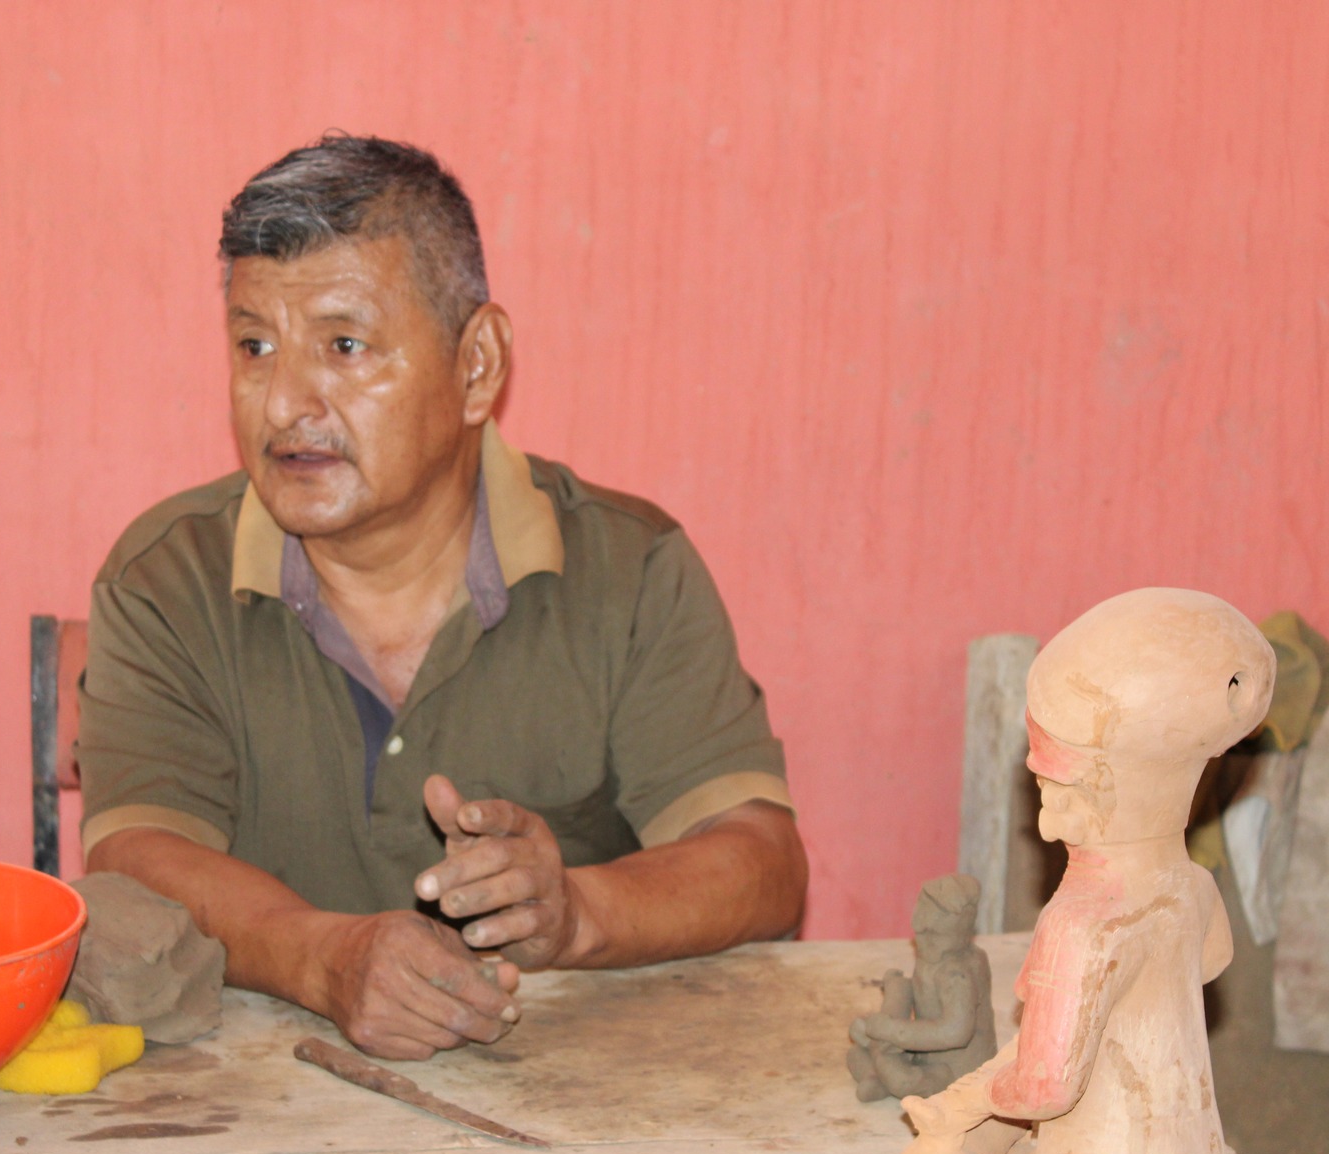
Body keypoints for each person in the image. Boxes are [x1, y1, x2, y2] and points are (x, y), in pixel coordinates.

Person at [78, 135, 807, 1061]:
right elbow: (136, 853)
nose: (284, 402)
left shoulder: (628, 569)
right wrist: (325, 959)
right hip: (251, 1110)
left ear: (477, 366)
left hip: (578, 1099)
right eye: (255, 346)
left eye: (344, 345)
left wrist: (576, 911)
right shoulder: (167, 577)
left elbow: (760, 860)